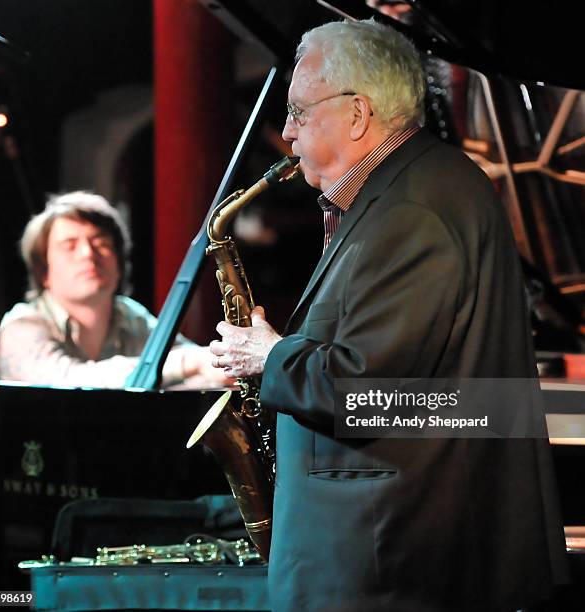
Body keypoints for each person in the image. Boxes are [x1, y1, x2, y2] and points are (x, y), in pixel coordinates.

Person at [210, 19, 568, 612]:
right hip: (385, 549)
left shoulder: (411, 210)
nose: (288, 133)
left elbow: (371, 392)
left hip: (387, 562)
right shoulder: (408, 192)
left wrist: (268, 356)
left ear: (357, 115)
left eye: (299, 111)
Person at [0, 191, 228, 389]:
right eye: (70, 246)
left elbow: (190, 367)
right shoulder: (19, 329)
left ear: (119, 264)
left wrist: (218, 369)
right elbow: (68, 383)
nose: (89, 254)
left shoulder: (130, 317)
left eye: (101, 243)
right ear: (43, 271)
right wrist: (187, 363)